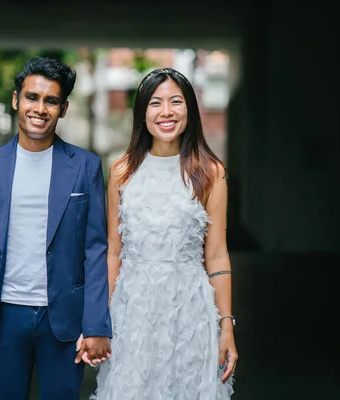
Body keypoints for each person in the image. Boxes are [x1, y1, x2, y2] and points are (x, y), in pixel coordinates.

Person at [0, 56, 112, 400]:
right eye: (32, 97)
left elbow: (95, 250)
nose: (40, 109)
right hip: (4, 319)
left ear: (63, 108)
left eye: (51, 101)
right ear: (16, 100)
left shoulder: (85, 167)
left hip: (64, 323)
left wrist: (97, 324)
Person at [92, 68, 237, 400]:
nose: (167, 112)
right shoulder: (121, 171)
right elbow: (114, 251)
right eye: (156, 103)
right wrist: (102, 321)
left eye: (176, 102)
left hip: (190, 311)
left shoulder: (210, 173)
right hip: (133, 312)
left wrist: (226, 326)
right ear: (143, 112)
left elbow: (216, 255)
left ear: (190, 110)